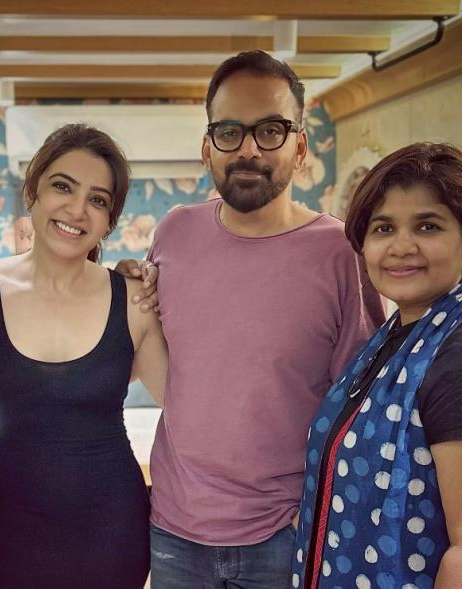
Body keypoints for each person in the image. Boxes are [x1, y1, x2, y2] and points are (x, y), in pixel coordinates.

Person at [144, 51, 386, 589]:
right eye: (229, 131)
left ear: (299, 147)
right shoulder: (173, 233)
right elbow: (151, 339)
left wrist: (318, 510)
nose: (249, 149)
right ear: (207, 148)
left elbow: (362, 403)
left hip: (285, 533)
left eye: (270, 130)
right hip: (175, 530)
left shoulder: (341, 253)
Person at [0, 123, 168, 589]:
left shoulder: (134, 300)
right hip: (18, 531)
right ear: (33, 191)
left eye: (98, 199)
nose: (77, 209)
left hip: (115, 529)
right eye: (63, 186)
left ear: (109, 221)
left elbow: (187, 409)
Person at [291, 142, 462, 589]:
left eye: (428, 225)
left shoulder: (454, 351)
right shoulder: (396, 335)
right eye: (384, 228)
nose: (402, 246)